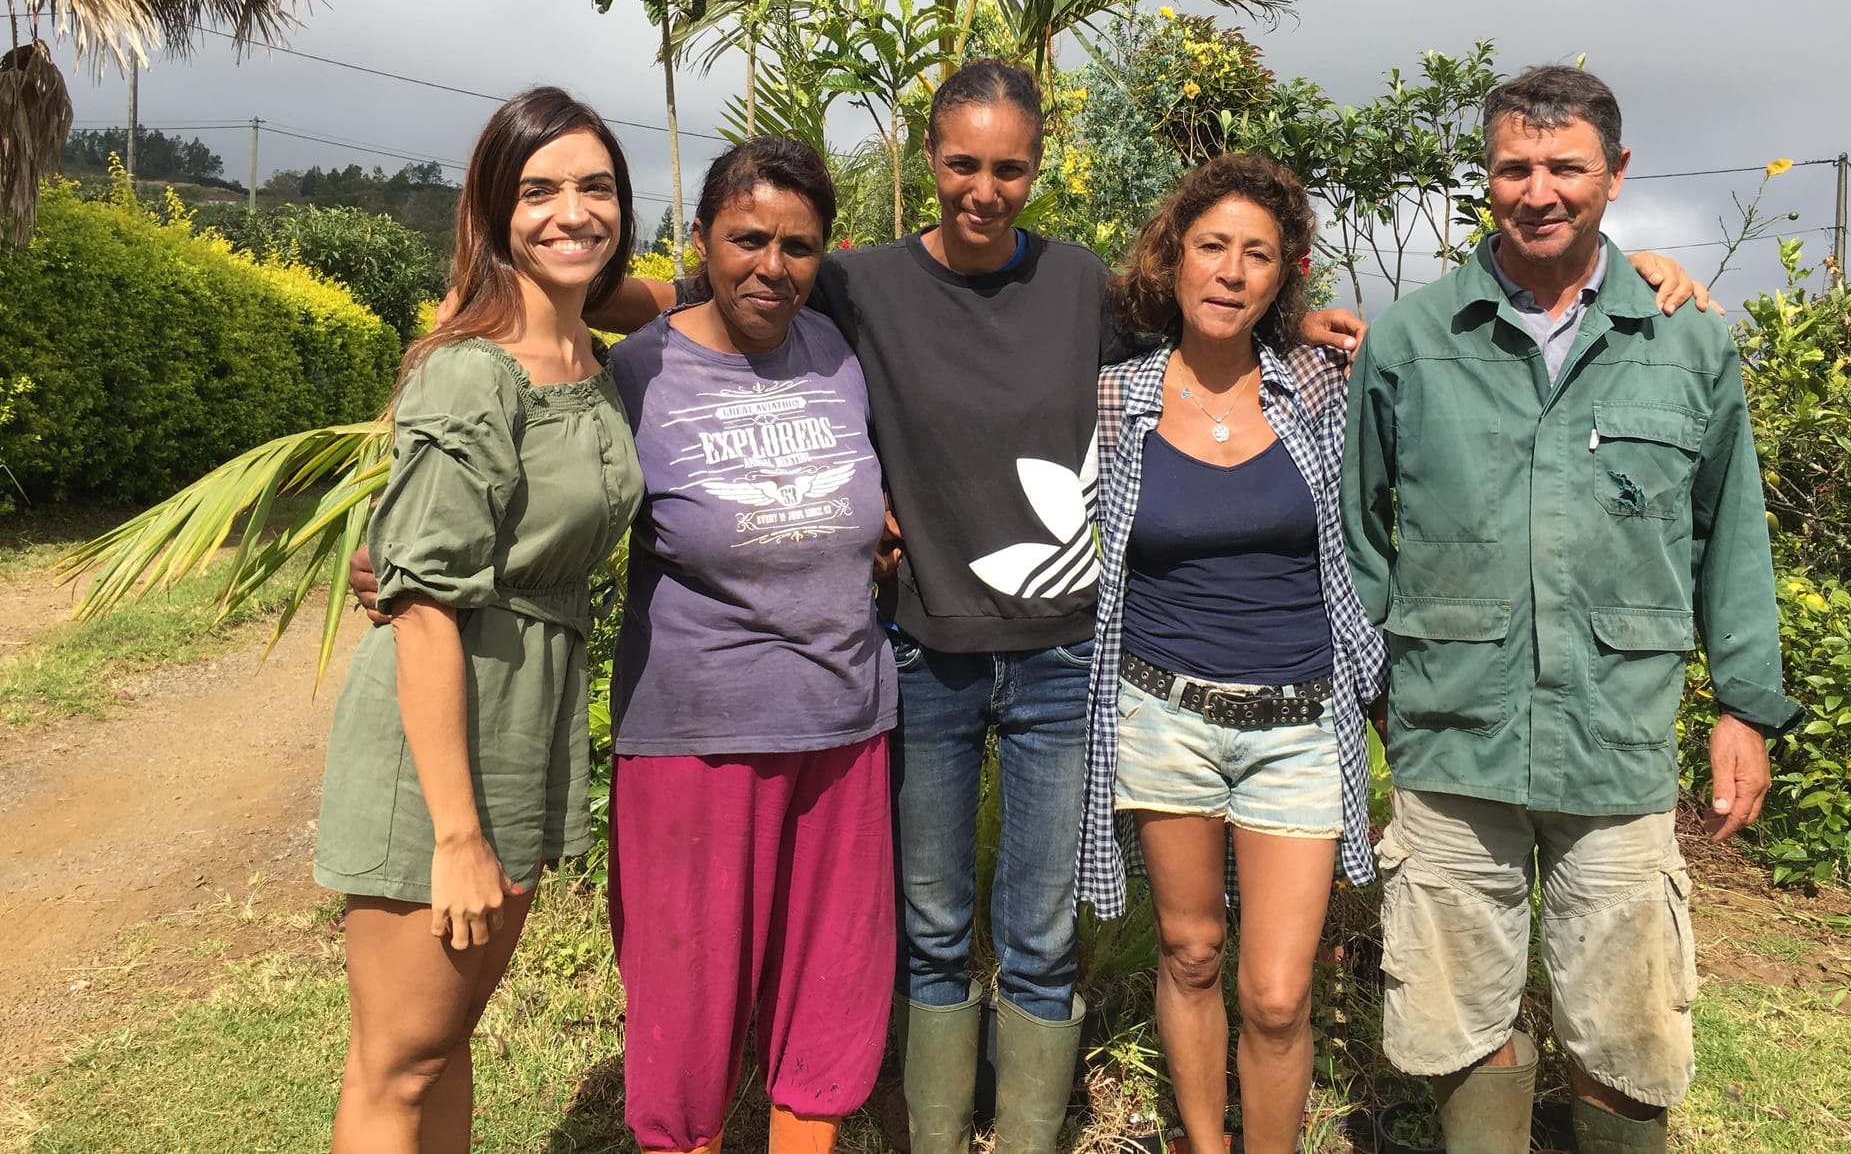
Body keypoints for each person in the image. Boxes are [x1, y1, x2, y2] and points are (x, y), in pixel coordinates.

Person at [578, 58, 1707, 1154]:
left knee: (1038, 930)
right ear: (925, 160)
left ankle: (1019, 1133)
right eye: (961, 164)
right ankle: (929, 1129)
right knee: (929, 928)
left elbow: (1209, 333)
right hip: (922, 653)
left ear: (1036, 167)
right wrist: (561, 292)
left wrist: (1630, 270)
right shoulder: (857, 278)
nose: (982, 189)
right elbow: (715, 287)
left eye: (1008, 168)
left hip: (1065, 658)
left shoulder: (1077, 287)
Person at [1340, 65, 1802, 1154]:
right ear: (1483, 178)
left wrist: (1742, 707)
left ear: (1614, 174)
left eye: (1563, 167)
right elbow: (1355, 539)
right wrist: (1370, 696)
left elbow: (1730, 535)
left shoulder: (1683, 340)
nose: (1536, 190)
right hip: (1452, 740)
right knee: (1459, 1019)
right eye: (1512, 167)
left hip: (1617, 740)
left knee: (1630, 1032)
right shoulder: (1408, 340)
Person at [314, 87, 645, 1154]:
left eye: (595, 187)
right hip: (447, 730)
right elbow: (417, 606)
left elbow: (671, 288)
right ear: (494, 209)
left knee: (446, 1039)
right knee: (394, 1064)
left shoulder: (584, 350)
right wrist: (456, 834)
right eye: (539, 190)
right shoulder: (471, 370)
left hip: (526, 716)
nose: (571, 212)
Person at [1076, 155, 1384, 1154]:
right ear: (1171, 259)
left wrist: (1635, 266)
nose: (1229, 273)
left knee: (1279, 990)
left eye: (1256, 256)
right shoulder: (1114, 400)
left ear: (1282, 276)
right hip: (1161, 715)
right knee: (1191, 950)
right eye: (1211, 247)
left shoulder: (1317, 384)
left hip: (1297, 724)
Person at [605, 137, 897, 1154]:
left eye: (798, 245)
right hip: (695, 740)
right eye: (746, 239)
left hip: (844, 728)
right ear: (699, 242)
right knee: (686, 1019)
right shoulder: (638, 372)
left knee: (824, 1010)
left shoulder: (841, 355)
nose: (771, 266)